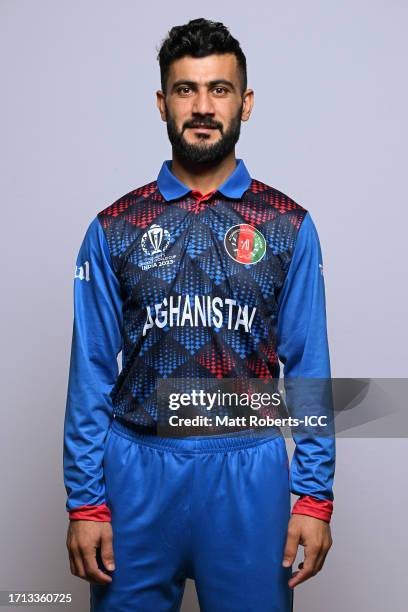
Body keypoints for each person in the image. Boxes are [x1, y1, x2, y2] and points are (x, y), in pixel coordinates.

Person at [63, 17, 335, 612]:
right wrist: (85, 503)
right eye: (186, 90)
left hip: (247, 471)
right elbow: (89, 373)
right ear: (163, 103)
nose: (203, 106)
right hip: (136, 470)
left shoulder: (288, 226)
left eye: (219, 89)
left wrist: (313, 498)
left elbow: (308, 367)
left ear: (246, 102)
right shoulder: (114, 228)